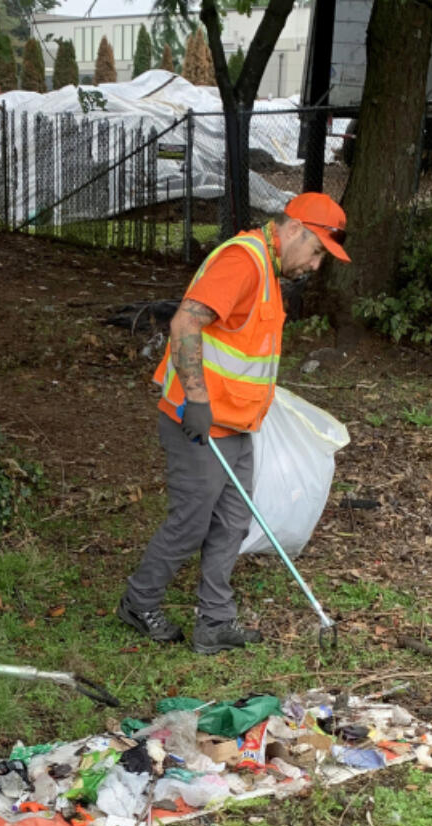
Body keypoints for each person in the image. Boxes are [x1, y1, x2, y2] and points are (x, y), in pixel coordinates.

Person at [118, 193, 350, 654]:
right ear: (295, 230)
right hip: (199, 420)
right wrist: (198, 402)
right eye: (318, 250)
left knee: (232, 523)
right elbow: (186, 323)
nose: (316, 264)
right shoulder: (242, 262)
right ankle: (138, 603)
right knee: (190, 522)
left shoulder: (267, 267)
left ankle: (215, 621)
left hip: (239, 425)